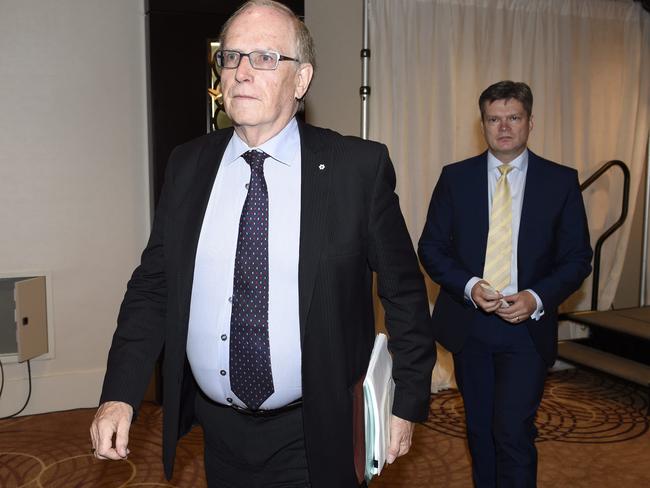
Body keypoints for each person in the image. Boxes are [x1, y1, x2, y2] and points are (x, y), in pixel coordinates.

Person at [89, 2, 435, 487]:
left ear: (302, 79)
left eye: (265, 58)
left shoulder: (355, 170)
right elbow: (153, 286)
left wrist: (408, 399)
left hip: (317, 430)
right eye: (231, 58)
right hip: (218, 430)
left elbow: (404, 293)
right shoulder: (188, 165)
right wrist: (119, 393)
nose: (242, 72)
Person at [418, 80, 592, 487]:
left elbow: (577, 258)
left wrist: (535, 298)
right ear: (483, 125)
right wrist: (470, 285)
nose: (504, 127)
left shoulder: (560, 181)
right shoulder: (455, 178)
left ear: (530, 122)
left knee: (512, 432)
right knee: (480, 432)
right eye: (494, 119)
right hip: (470, 324)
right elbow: (431, 247)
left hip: (527, 330)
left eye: (513, 117)